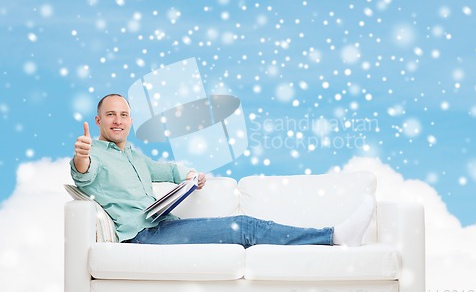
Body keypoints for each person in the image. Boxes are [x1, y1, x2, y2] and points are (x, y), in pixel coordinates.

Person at [71, 93, 375, 247]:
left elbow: (164, 169)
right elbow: (83, 173)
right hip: (142, 237)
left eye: (124, 115)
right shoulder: (93, 152)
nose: (118, 120)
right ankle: (333, 237)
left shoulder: (134, 156)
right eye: (110, 114)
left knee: (242, 225)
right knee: (243, 226)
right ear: (98, 121)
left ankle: (332, 237)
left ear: (131, 121)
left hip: (163, 226)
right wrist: (82, 156)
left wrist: (191, 177)